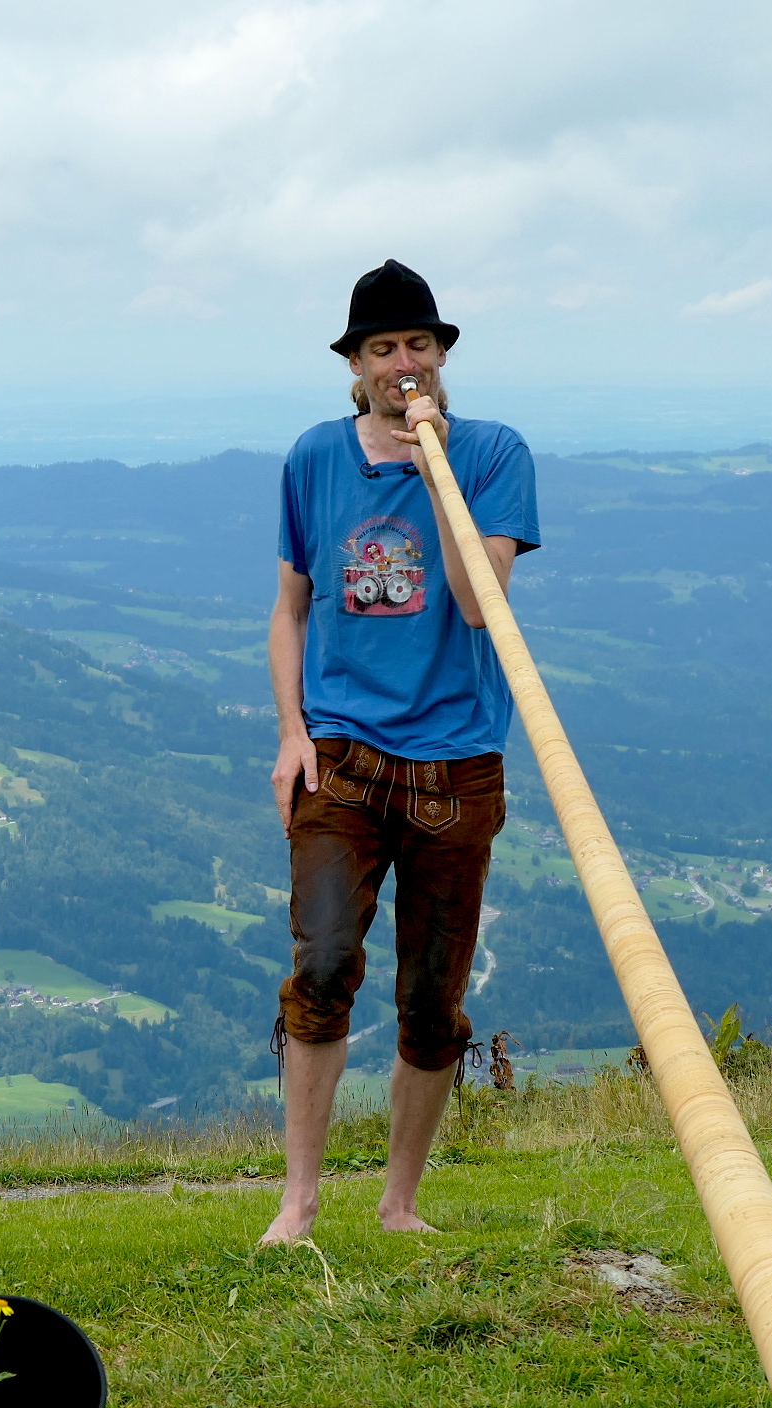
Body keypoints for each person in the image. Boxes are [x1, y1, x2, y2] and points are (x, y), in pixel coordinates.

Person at [259, 261, 538, 1247]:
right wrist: (292, 734)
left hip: (454, 764)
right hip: (340, 753)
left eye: (417, 345)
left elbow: (474, 602)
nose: (402, 363)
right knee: (323, 965)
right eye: (381, 349)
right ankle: (297, 1201)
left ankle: (398, 1204)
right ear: (354, 365)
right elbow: (291, 609)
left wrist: (435, 469)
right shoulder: (313, 458)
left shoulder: (494, 453)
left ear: (442, 354)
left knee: (430, 996)